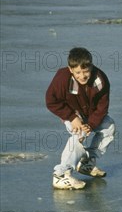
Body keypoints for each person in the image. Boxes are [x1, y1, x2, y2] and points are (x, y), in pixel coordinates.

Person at [46, 47, 115, 190]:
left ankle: (87, 163)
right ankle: (61, 174)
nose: (82, 76)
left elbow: (102, 107)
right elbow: (51, 101)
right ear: (70, 70)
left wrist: (91, 124)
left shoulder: (100, 79)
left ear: (91, 66)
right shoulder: (62, 78)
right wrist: (71, 117)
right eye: (78, 72)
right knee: (79, 134)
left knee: (109, 125)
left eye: (86, 71)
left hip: (91, 116)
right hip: (71, 114)